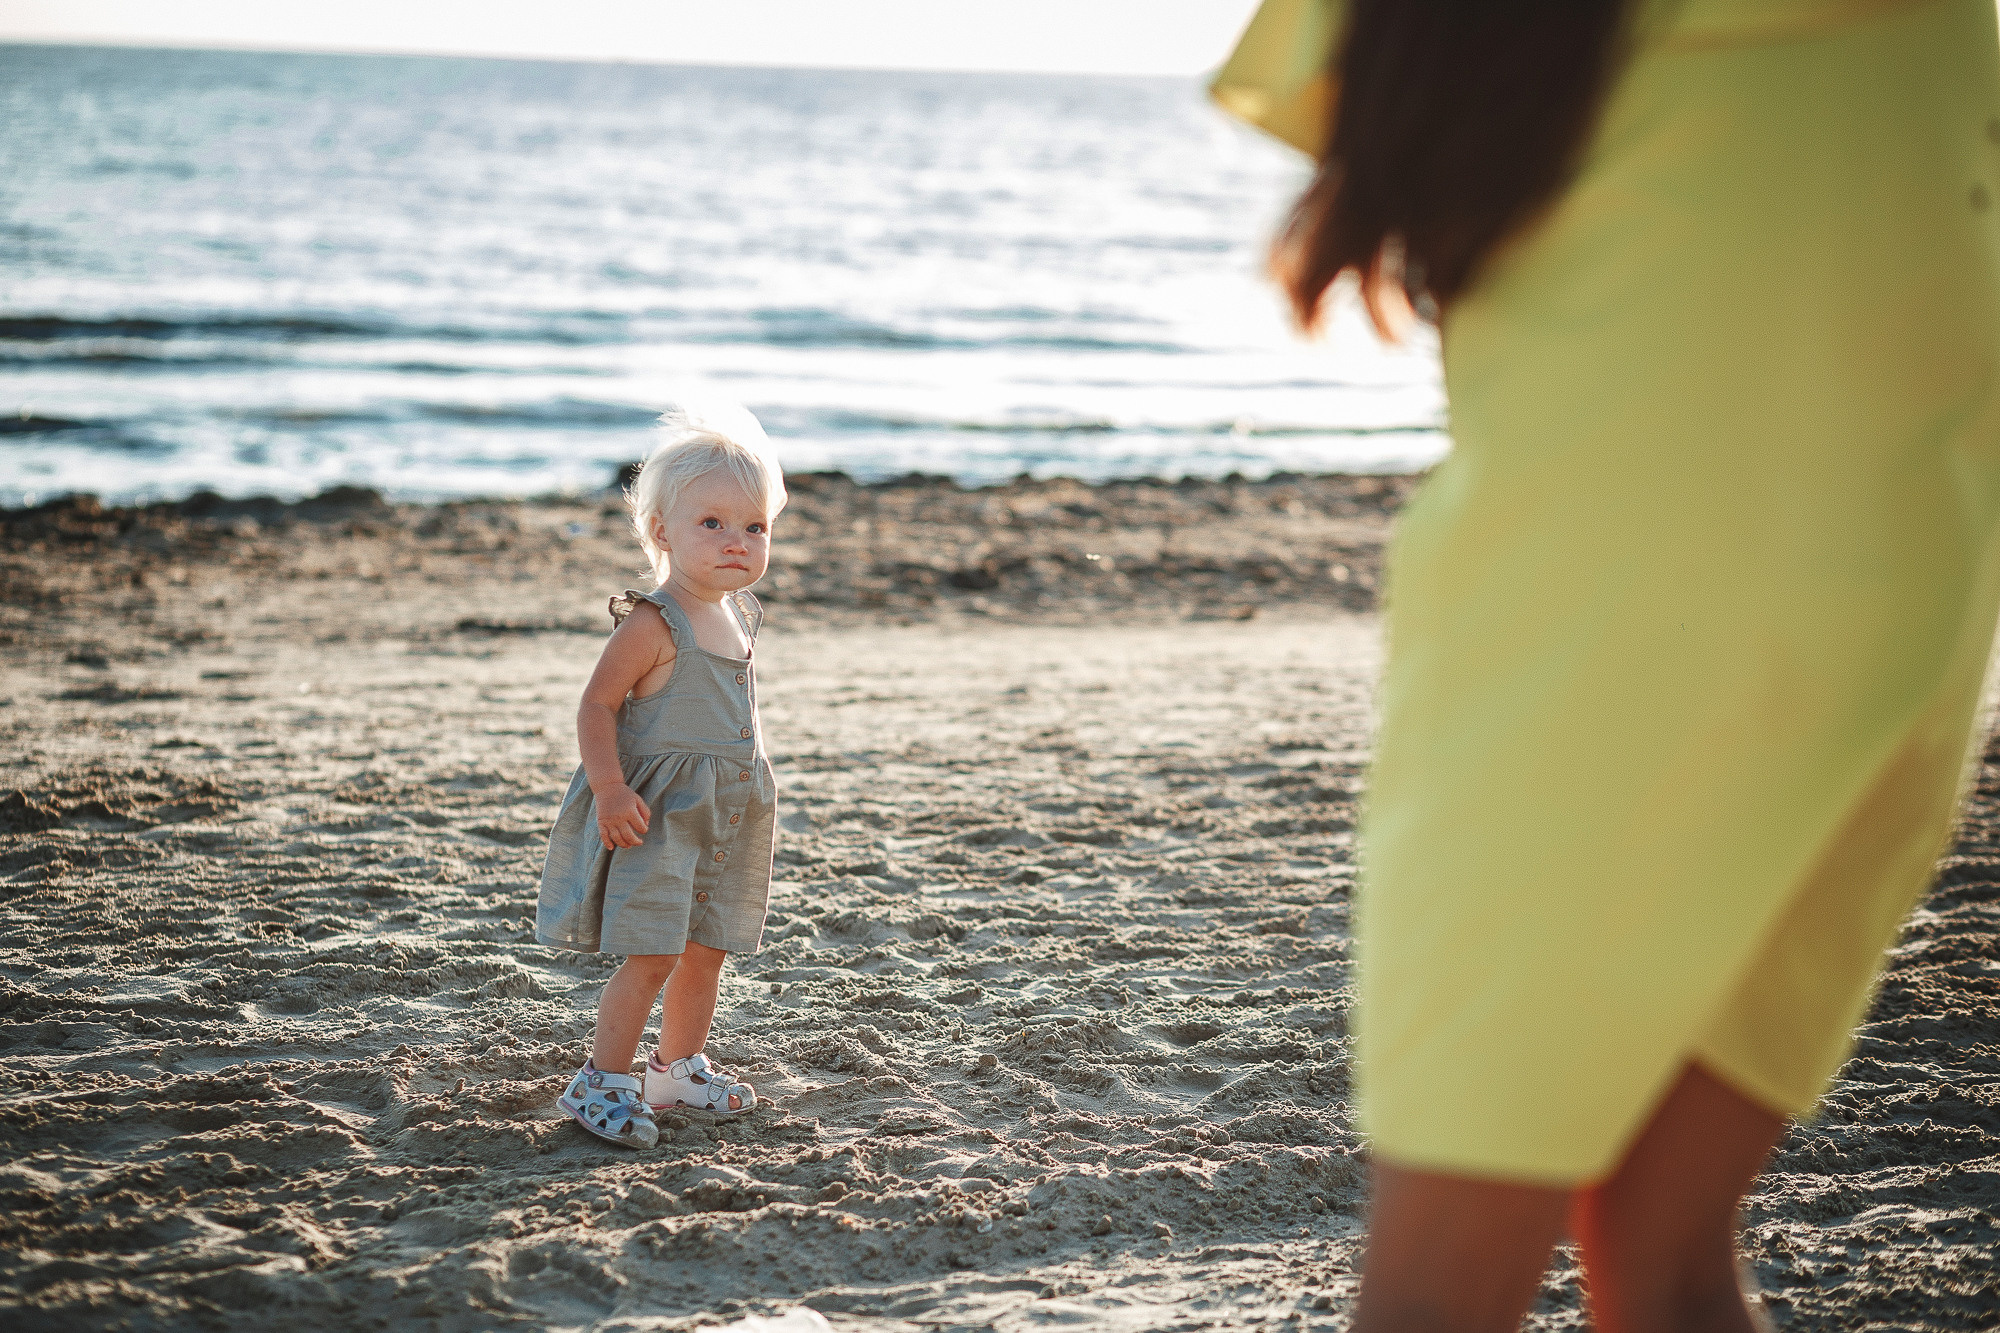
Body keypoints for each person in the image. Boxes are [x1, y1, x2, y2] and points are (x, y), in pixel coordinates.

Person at [1212, 0, 2000, 1328]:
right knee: (1667, 1243)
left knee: (1435, 1298)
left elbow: (1353, 124)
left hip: (1587, 638)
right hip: (1897, 619)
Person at [537, 405, 786, 1148]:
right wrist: (611, 788)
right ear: (661, 533)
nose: (736, 542)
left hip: (724, 815)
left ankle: (677, 1066)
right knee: (652, 952)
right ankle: (601, 1080)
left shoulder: (736, 613)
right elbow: (597, 704)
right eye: (711, 522)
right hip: (658, 815)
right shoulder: (655, 621)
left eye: (754, 527)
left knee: (705, 947)